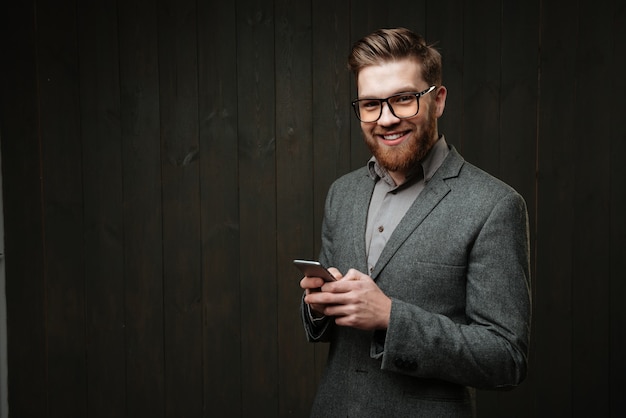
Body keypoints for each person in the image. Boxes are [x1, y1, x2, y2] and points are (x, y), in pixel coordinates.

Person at [299, 28, 531, 417]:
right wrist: (319, 307)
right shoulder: (342, 193)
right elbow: (334, 317)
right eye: (371, 105)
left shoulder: (495, 205)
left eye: (404, 100)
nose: (386, 120)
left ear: (437, 101)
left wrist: (391, 317)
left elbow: (506, 359)